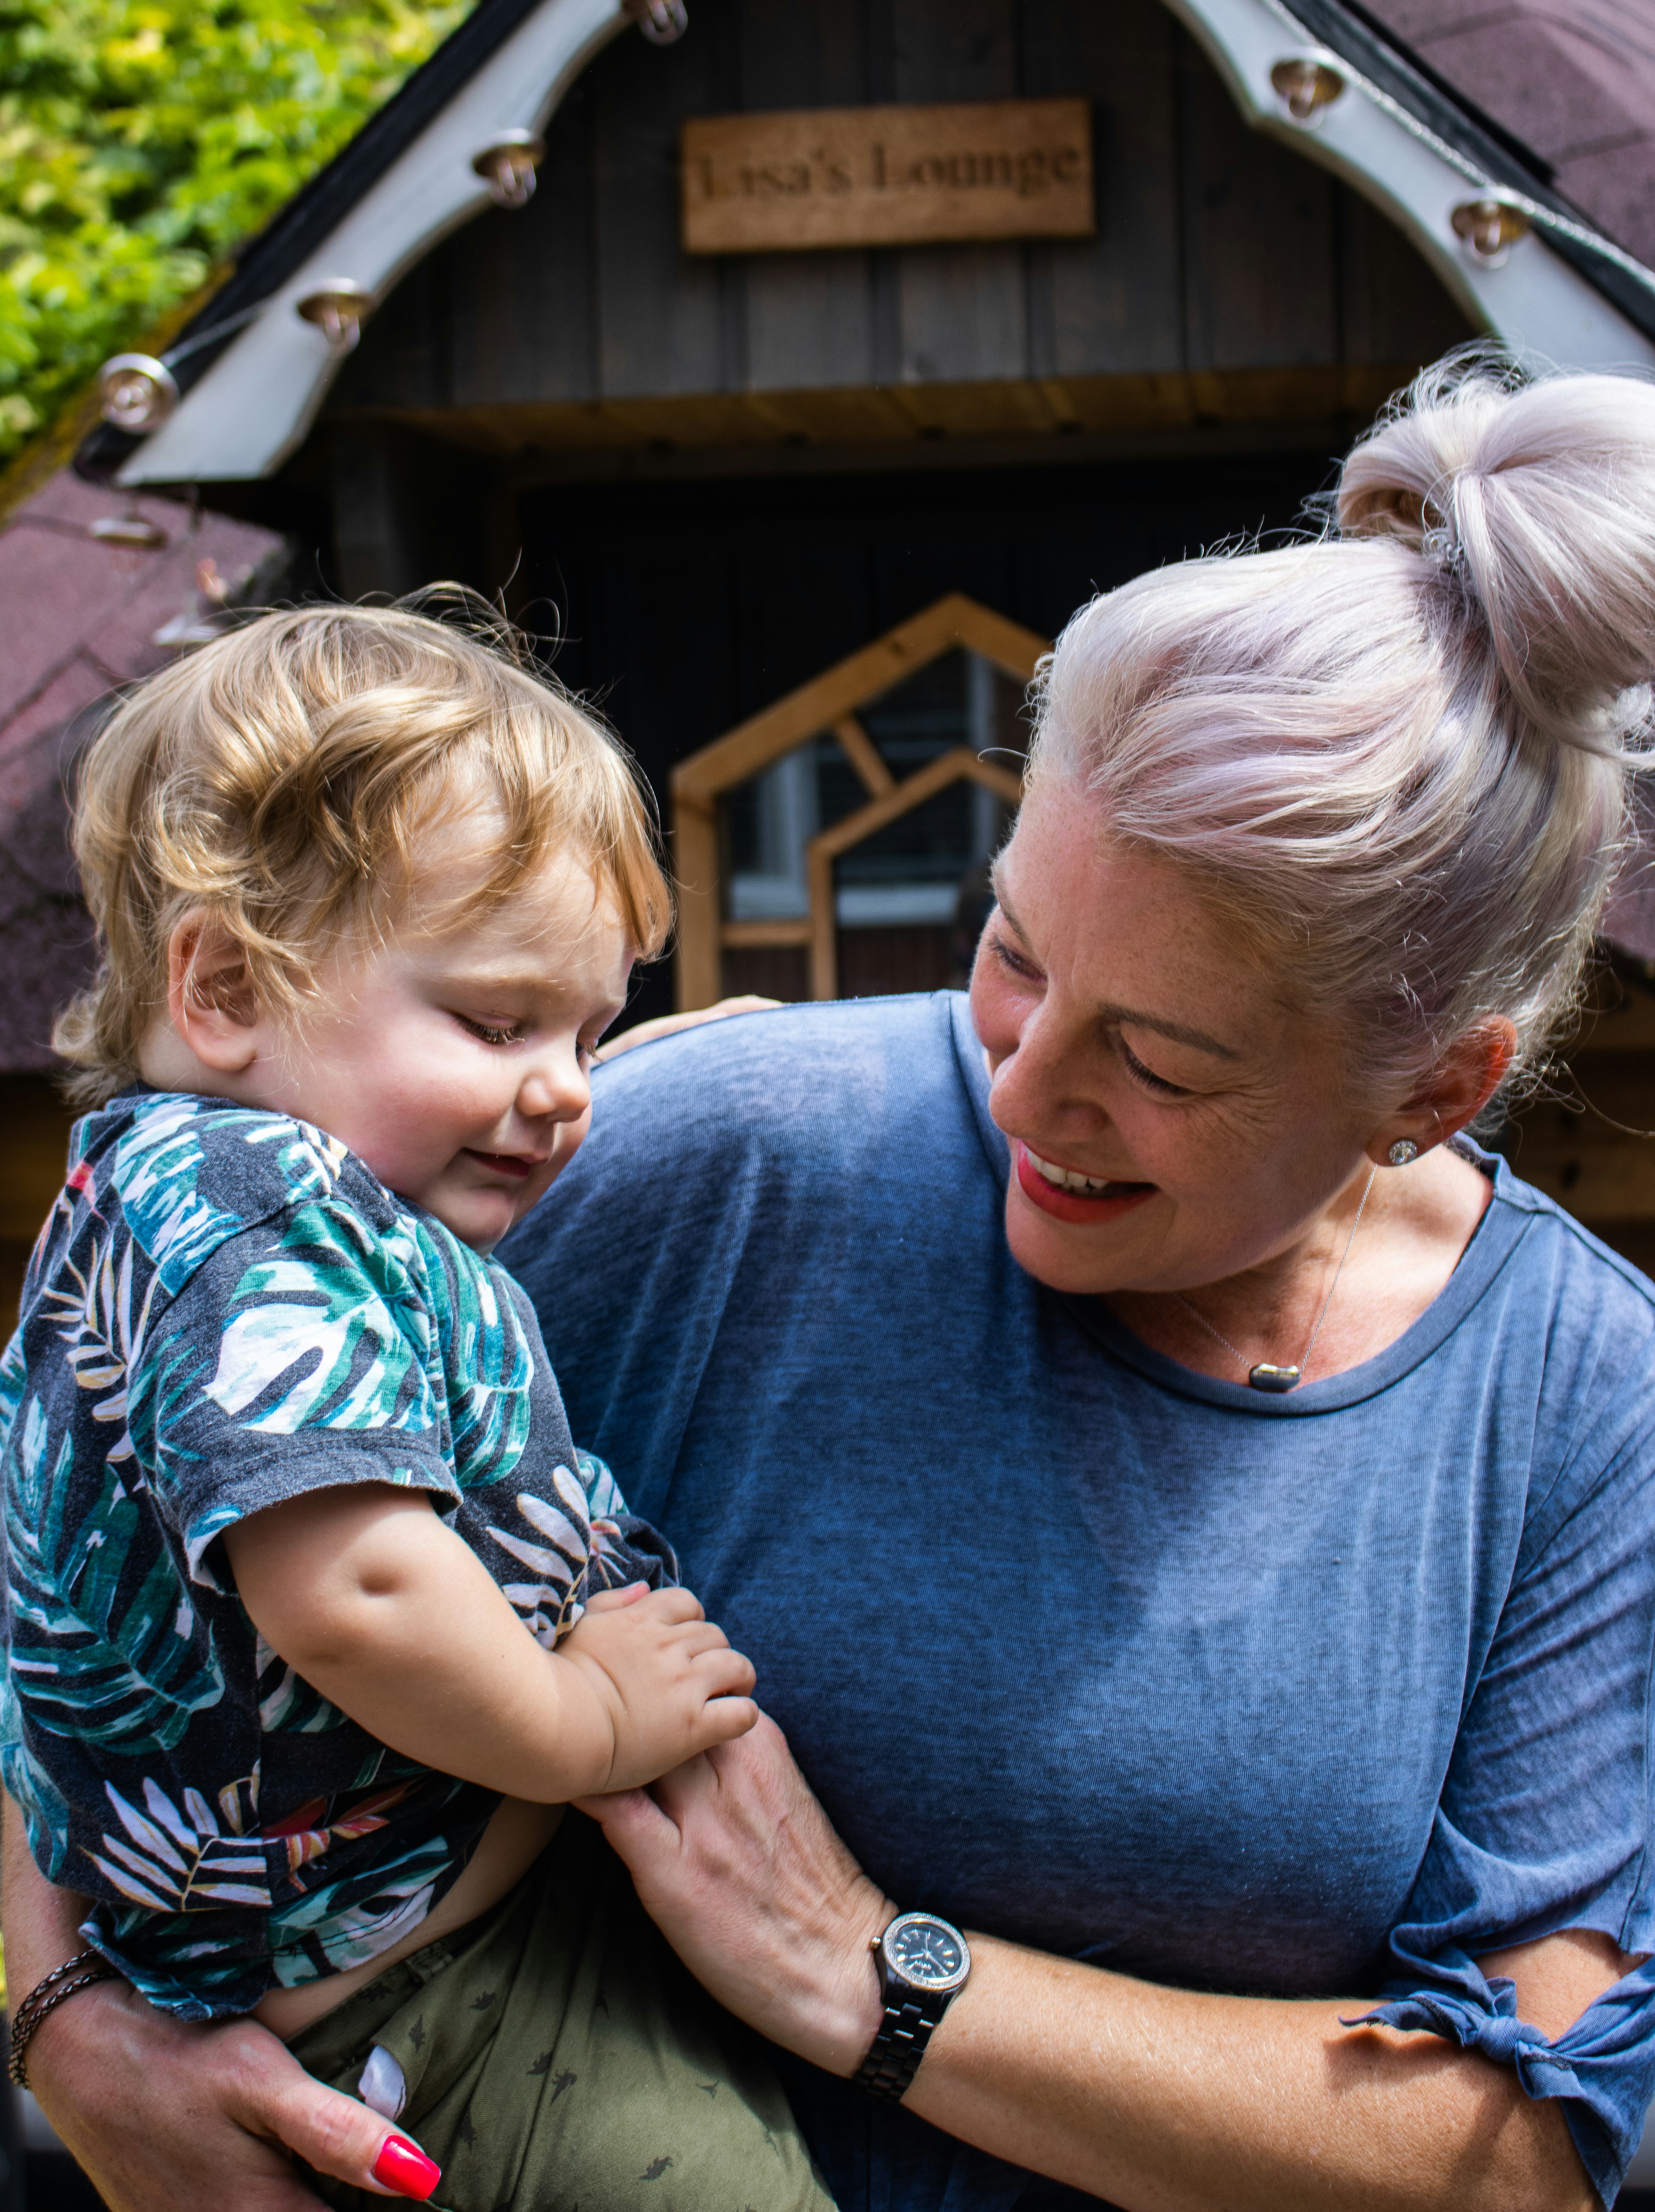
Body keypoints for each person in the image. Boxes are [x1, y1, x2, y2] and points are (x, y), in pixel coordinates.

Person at [10, 356, 1655, 2212]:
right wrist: (65, 2013)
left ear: (1434, 1083)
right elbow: (106, 1482)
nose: (1019, 1088)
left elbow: (1517, 2154)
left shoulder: (1585, 1397)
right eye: (1014, 949)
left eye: (1164, 1060)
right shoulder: (713, 1149)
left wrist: (866, 1977)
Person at [0, 603, 831, 2212]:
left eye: (586, 1028)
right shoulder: (262, 1220)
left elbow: (390, 1170)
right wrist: (591, 1721)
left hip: (392, 1940)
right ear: (229, 983)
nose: (567, 1088)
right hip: (414, 2002)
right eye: (502, 1020)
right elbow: (356, 1592)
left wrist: (605, 1059)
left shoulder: (179, 1186)